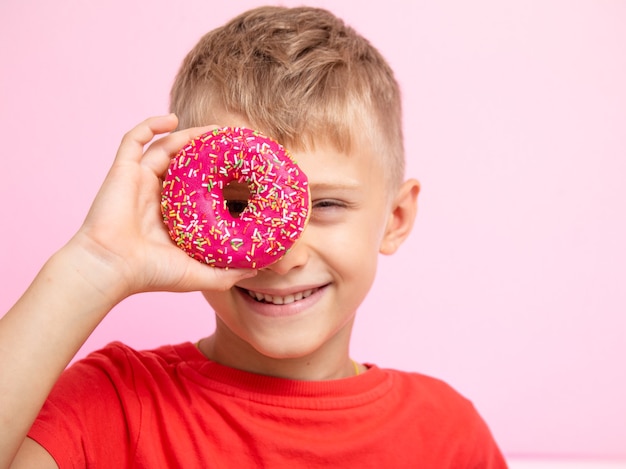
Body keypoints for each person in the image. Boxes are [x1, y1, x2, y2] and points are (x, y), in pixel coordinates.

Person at [1, 6, 507, 468]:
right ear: (170, 209)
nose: (283, 258)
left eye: (326, 205)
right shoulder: (113, 404)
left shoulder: (446, 434)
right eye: (239, 205)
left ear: (395, 217)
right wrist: (94, 264)